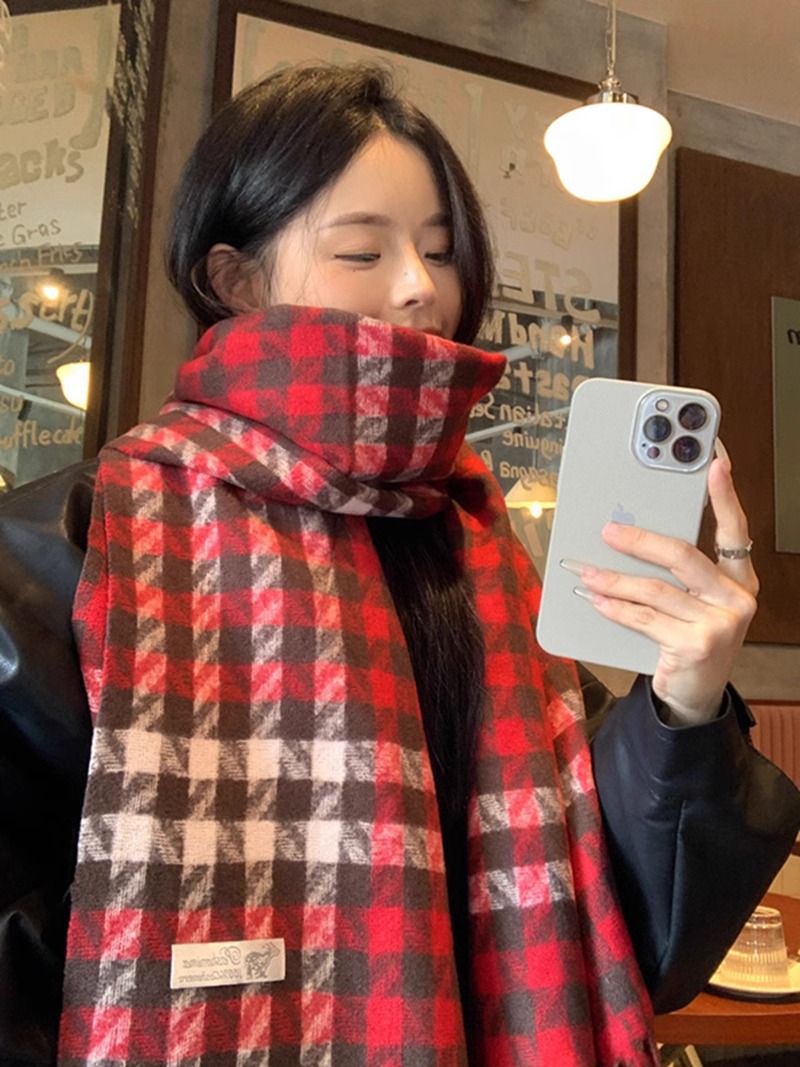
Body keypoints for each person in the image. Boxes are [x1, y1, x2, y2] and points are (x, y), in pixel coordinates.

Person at [0, 63, 798, 1067]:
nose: (422, 285)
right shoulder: (75, 544)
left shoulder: (474, 547)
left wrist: (684, 702)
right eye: (362, 249)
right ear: (235, 281)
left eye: (439, 249)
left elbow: (635, 931)